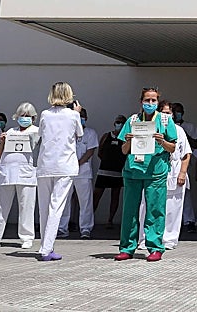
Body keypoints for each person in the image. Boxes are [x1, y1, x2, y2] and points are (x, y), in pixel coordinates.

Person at [115, 87, 177, 261]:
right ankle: (127, 247)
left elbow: (172, 147)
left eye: (153, 100)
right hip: (133, 171)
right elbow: (124, 150)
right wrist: (129, 141)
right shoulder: (133, 120)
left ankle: (155, 247)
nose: (150, 103)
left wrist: (162, 141)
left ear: (157, 102)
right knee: (129, 211)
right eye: (147, 100)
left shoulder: (165, 120)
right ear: (141, 101)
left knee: (155, 210)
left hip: (155, 172)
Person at [0, 102, 39, 251]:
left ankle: (27, 238)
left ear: (33, 117)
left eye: (27, 116)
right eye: (21, 115)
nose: (24, 118)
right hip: (7, 172)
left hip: (26, 173)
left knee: (26, 206)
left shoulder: (37, 131)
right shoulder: (11, 131)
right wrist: (2, 141)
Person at [35, 82, 83, 262]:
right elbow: (79, 134)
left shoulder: (45, 114)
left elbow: (41, 134)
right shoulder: (73, 115)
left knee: (44, 208)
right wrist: (77, 113)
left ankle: (46, 246)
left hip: (45, 164)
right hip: (64, 165)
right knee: (56, 207)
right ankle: (46, 249)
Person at [139, 100, 191, 250]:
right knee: (148, 206)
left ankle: (169, 239)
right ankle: (145, 239)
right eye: (163, 113)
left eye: (168, 113)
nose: (166, 116)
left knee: (173, 208)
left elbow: (186, 154)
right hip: (152, 171)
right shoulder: (149, 128)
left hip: (174, 171)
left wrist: (182, 173)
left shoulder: (179, 130)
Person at [59, 106, 99, 239]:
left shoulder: (90, 133)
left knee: (85, 201)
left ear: (85, 118)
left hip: (83, 172)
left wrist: (78, 163)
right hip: (67, 171)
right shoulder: (66, 132)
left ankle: (86, 228)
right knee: (64, 201)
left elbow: (90, 151)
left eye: (82, 117)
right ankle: (62, 228)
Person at [170, 102, 197, 230]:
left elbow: (195, 144)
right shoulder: (167, 126)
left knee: (184, 191)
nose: (177, 113)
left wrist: (184, 132)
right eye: (175, 111)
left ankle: (189, 220)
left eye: (179, 111)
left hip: (183, 162)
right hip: (168, 164)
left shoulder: (189, 126)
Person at [94, 114, 127, 227]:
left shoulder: (125, 138)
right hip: (103, 171)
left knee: (115, 196)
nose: (119, 124)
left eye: (122, 122)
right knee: (96, 195)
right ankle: (90, 218)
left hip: (117, 172)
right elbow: (100, 152)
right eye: (118, 122)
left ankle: (110, 220)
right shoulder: (106, 136)